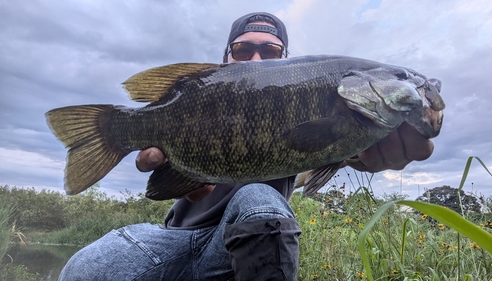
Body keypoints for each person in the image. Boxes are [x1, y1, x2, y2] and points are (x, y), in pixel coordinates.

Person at [59, 12, 435, 281]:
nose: (256, 58)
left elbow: (339, 151)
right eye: (242, 50)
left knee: (258, 198)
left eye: (270, 52)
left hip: (248, 239)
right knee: (84, 269)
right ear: (226, 58)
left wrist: (372, 154)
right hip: (175, 237)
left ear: (286, 59)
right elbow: (159, 179)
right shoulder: (199, 89)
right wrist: (178, 170)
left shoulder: (342, 113)